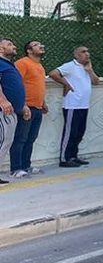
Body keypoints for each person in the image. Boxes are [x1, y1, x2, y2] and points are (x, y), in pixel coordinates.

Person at [49, 46, 100, 168]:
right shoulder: (70, 66)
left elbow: (96, 81)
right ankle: (64, 159)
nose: (87, 54)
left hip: (84, 105)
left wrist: (90, 70)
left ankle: (73, 156)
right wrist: (66, 84)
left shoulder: (87, 68)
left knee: (79, 133)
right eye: (83, 52)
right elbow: (53, 73)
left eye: (88, 51)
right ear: (76, 55)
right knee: (70, 132)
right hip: (72, 105)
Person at [9, 41, 48, 177]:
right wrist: (23, 105)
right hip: (27, 107)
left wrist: (43, 102)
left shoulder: (39, 66)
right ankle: (15, 168)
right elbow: (17, 84)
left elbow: (37, 85)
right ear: (29, 50)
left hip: (37, 107)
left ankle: (26, 166)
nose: (41, 46)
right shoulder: (22, 63)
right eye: (37, 45)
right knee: (21, 138)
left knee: (31, 138)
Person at [0, 37, 28, 184]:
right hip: (4, 110)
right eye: (9, 44)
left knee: (6, 141)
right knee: (3, 141)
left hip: (12, 110)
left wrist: (23, 105)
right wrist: (3, 100)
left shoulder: (8, 65)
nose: (14, 46)